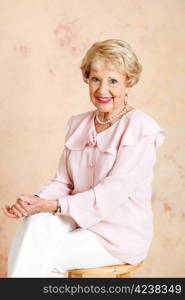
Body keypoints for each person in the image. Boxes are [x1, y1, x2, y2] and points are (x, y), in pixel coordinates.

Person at [2, 39, 166, 278]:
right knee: (34, 224)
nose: (102, 90)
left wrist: (52, 206)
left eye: (113, 81)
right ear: (87, 80)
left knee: (43, 256)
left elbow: (110, 194)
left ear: (128, 82)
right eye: (95, 79)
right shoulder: (79, 124)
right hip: (78, 220)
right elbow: (63, 182)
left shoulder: (141, 129)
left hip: (117, 235)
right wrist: (35, 201)